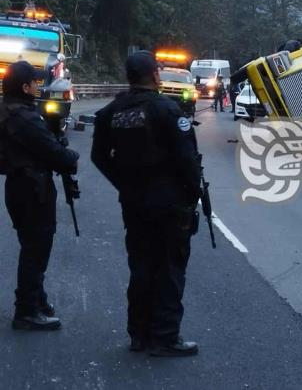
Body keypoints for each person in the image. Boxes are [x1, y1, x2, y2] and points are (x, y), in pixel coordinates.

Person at [91, 51, 201, 356]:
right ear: (155, 76)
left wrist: (124, 183)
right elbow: (187, 160)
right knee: (168, 267)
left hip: (134, 202)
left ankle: (139, 334)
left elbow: (99, 157)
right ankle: (165, 337)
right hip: (169, 205)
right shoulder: (167, 110)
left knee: (140, 265)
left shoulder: (111, 112)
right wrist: (192, 196)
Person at [0, 61, 79, 331]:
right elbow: (53, 152)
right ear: (24, 86)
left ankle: (37, 298)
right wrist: (71, 157)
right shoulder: (24, 116)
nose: (38, 85)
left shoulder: (7, 110)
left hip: (17, 185)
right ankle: (26, 311)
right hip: (32, 188)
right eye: (34, 82)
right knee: (36, 248)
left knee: (30, 245)